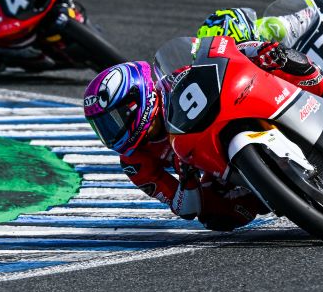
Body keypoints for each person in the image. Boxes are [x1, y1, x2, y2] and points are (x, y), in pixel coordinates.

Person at [84, 61, 269, 232]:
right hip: (215, 163)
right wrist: (187, 177)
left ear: (136, 101)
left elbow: (225, 60)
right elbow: (185, 209)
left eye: (115, 119)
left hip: (241, 111)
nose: (110, 131)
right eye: (102, 126)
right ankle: (264, 197)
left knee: (268, 61)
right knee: (212, 215)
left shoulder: (178, 81)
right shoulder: (133, 161)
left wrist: (257, 54)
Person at [197, 8, 323, 148]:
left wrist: (278, 56)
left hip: (292, 87)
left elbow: (309, 13)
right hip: (249, 104)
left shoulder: (269, 29)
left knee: (294, 66)